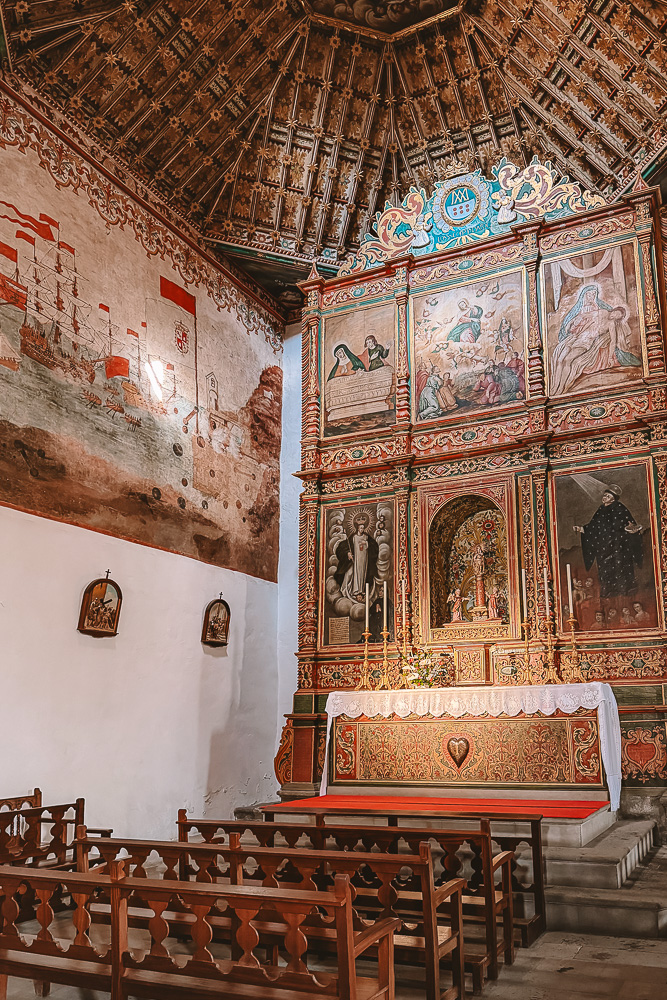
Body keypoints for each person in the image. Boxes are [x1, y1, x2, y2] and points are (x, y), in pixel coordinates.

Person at [573, 484, 644, 598]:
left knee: (620, 568)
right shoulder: (601, 509)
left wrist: (632, 530)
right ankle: (609, 592)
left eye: (607, 496)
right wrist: (581, 529)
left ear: (613, 498)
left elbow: (630, 524)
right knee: (605, 570)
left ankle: (625, 591)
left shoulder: (620, 508)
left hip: (619, 546)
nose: (604, 497)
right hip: (604, 547)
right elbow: (593, 526)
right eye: (604, 495)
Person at [334, 511, 379, 604]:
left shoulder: (367, 537)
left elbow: (374, 546)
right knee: (352, 573)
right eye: (360, 528)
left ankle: (361, 590)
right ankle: (353, 590)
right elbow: (343, 547)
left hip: (364, 560)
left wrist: (366, 544)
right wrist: (348, 554)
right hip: (356, 559)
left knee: (362, 574)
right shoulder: (353, 537)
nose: (362, 529)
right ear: (357, 528)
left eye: (363, 528)